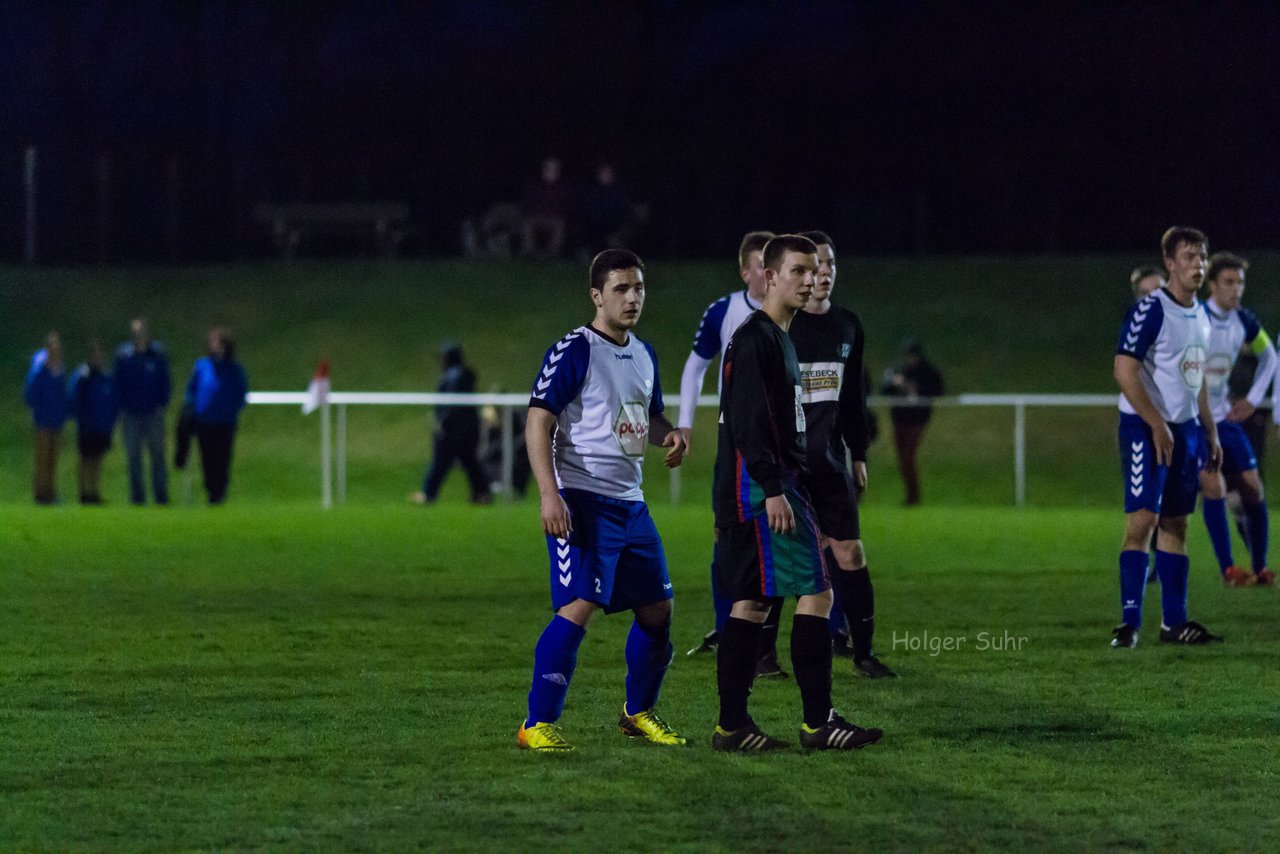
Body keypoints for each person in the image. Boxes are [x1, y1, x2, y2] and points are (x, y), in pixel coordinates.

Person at [711, 233, 883, 752]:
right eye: (798, 272)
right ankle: (816, 722)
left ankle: (734, 725)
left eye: (814, 271)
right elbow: (746, 422)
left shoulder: (777, 335)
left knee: (754, 605)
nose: (810, 280)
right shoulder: (757, 337)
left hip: (760, 489)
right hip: (762, 492)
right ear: (768, 277)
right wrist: (772, 489)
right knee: (817, 590)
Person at [516, 249, 688, 752]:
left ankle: (638, 713)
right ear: (596, 295)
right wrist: (550, 495)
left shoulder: (644, 353)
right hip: (582, 498)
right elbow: (537, 420)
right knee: (580, 605)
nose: (633, 297)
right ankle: (536, 722)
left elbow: (647, 417)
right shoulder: (575, 349)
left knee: (658, 609)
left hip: (630, 503)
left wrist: (669, 434)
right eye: (620, 289)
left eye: (638, 288)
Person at [1111, 226, 1224, 648]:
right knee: (1144, 519)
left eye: (1202, 257)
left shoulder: (1204, 316)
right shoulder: (1151, 309)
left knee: (1176, 521)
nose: (1198, 264)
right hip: (1145, 427)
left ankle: (1173, 624)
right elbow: (1124, 370)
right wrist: (1156, 423)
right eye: (1190, 257)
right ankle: (1129, 623)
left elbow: (1197, 379)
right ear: (1171, 264)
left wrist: (1209, 429)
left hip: (1186, 429)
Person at [792, 231, 895, 678]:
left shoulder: (848, 325)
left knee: (850, 553)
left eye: (831, 264)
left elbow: (853, 398)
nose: (825, 273)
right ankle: (767, 657)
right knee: (800, 562)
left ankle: (864, 654)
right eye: (816, 265)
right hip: (790, 465)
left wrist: (859, 454)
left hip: (832, 462)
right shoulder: (783, 327)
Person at [678, 230, 778, 664]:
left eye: (774, 266)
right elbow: (696, 365)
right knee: (726, 533)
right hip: (733, 437)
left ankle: (821, 634)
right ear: (745, 271)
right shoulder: (725, 311)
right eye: (761, 265)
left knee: (793, 538)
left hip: (780, 440)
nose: (767, 274)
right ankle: (728, 627)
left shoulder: (792, 313)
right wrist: (684, 423)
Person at [1197, 252, 1276, 586]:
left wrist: (1253, 399)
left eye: (1240, 282)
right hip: (1194, 420)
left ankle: (1260, 568)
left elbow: (1270, 356)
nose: (1236, 289)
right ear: (1212, 285)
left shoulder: (1243, 320)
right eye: (1229, 282)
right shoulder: (1197, 319)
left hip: (1224, 418)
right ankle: (1228, 569)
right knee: (1214, 487)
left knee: (1253, 489)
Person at [412, 343, 492, 505]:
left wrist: (442, 421)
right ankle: (482, 494)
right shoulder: (461, 374)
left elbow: (452, 404)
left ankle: (428, 494)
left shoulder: (455, 376)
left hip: (453, 429)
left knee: (442, 461)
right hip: (466, 428)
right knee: (469, 462)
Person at [183, 327, 248, 504]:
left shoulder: (234, 368)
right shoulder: (202, 366)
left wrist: (231, 410)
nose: (214, 346)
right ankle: (211, 491)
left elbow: (241, 393)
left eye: (218, 342)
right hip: (204, 421)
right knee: (207, 459)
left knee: (223, 459)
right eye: (212, 342)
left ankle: (220, 493)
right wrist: (192, 409)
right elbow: (191, 390)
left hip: (225, 422)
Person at [881, 339, 944, 505]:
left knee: (908, 457)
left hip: (917, 420)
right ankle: (911, 495)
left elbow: (937, 389)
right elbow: (885, 389)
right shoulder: (900, 370)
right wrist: (896, 385)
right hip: (900, 419)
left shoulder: (927, 372)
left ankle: (913, 496)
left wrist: (913, 388)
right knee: (902, 458)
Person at [115, 318, 171, 505]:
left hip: (153, 414)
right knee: (133, 457)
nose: (139, 336)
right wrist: (121, 408)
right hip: (131, 414)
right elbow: (118, 384)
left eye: (142, 332)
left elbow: (165, 381)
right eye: (135, 333)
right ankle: (137, 498)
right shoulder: (124, 356)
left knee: (157, 455)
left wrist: (162, 404)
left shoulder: (157, 355)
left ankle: (161, 496)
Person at [69, 339, 119, 504]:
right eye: (95, 356)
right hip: (86, 426)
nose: (98, 359)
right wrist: (82, 419)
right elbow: (76, 401)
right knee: (85, 459)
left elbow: (111, 401)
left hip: (101, 426)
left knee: (96, 459)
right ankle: (83, 492)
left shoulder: (105, 377)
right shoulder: (83, 377)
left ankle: (94, 491)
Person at [24, 332, 68, 505]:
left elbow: (62, 394)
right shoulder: (40, 369)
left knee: (52, 458)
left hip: (56, 418)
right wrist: (38, 411)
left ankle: (50, 491)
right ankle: (40, 493)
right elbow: (31, 393)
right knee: (42, 459)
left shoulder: (59, 369)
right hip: (43, 419)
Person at [521, 156, 571, 260]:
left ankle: (551, 254)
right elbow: (528, 203)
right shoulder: (535, 185)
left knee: (560, 226)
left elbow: (567, 206)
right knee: (527, 224)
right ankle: (529, 253)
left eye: (554, 168)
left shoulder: (563, 187)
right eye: (548, 168)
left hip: (555, 218)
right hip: (536, 216)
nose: (551, 171)